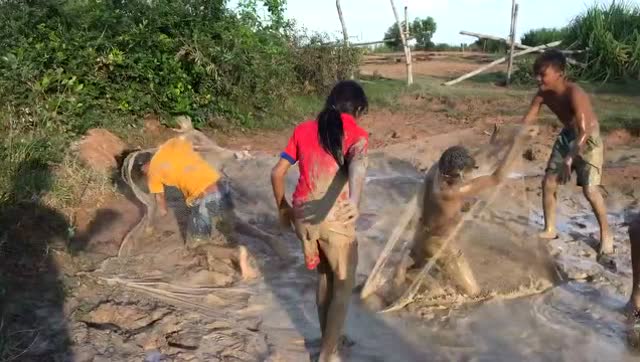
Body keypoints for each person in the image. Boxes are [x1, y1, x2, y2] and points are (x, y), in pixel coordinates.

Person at [270, 80, 369, 362]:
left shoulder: (303, 129)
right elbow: (359, 164)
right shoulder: (357, 132)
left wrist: (283, 210)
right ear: (359, 108)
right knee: (343, 283)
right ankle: (328, 354)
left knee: (324, 275)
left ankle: (330, 336)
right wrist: (355, 201)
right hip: (334, 217)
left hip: (302, 216)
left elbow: (277, 173)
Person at [393, 136, 524, 297]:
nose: (470, 176)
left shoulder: (435, 170)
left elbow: (467, 158)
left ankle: (408, 270)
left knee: (427, 265)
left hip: (422, 233)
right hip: (440, 244)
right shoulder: (452, 192)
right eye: (467, 173)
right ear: (456, 175)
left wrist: (495, 145)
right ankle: (404, 275)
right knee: (473, 293)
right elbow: (497, 177)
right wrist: (517, 145)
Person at [520, 49, 612, 257]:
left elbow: (584, 131)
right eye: (536, 73)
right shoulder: (542, 95)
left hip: (588, 138)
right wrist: (513, 135)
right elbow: (527, 120)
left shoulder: (574, 93)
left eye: (542, 74)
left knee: (590, 191)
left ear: (559, 73)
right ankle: (550, 229)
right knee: (548, 182)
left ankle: (606, 234)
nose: (538, 78)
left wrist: (569, 159)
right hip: (568, 135)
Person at [140, 135, 258, 280]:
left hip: (205, 196)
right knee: (226, 226)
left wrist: (152, 225)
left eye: (142, 171)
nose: (144, 174)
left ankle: (235, 253)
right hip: (222, 187)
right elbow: (186, 139)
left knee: (196, 245)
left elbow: (161, 203)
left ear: (145, 165)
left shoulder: (153, 171)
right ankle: (259, 251)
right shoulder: (172, 145)